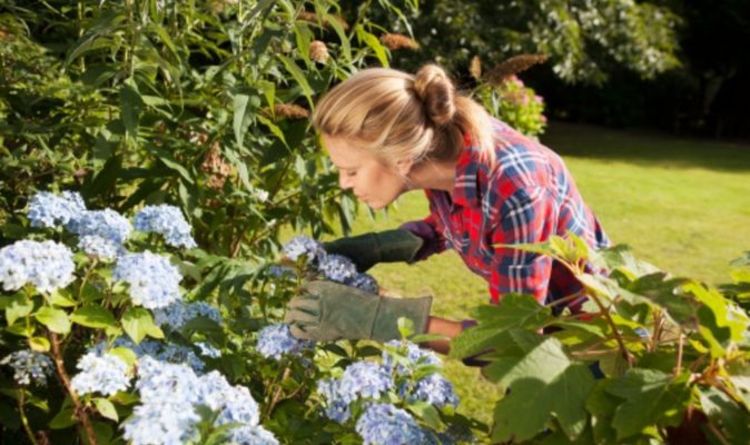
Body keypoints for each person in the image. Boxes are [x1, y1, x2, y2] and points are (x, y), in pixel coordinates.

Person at [283, 64, 610, 361]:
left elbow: (514, 342)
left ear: (403, 160)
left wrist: (380, 319)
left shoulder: (517, 187)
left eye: (352, 171)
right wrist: (379, 246)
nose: (343, 183)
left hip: (596, 341)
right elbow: (459, 221)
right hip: (551, 335)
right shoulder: (441, 142)